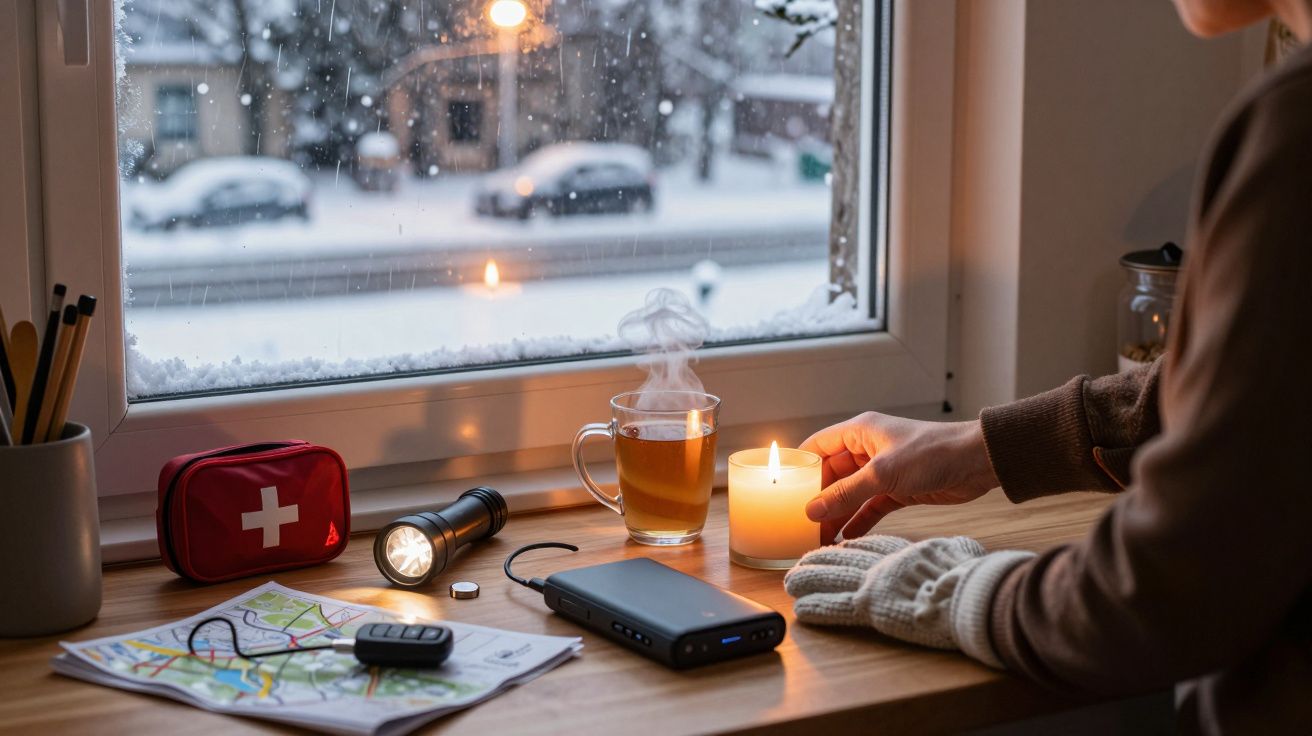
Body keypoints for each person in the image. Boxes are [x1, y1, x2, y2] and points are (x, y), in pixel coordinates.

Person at [783, 1, 1312, 733]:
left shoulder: (1296, 133)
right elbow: (1270, 402)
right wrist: (981, 447)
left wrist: (954, 591)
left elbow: (1172, 590)